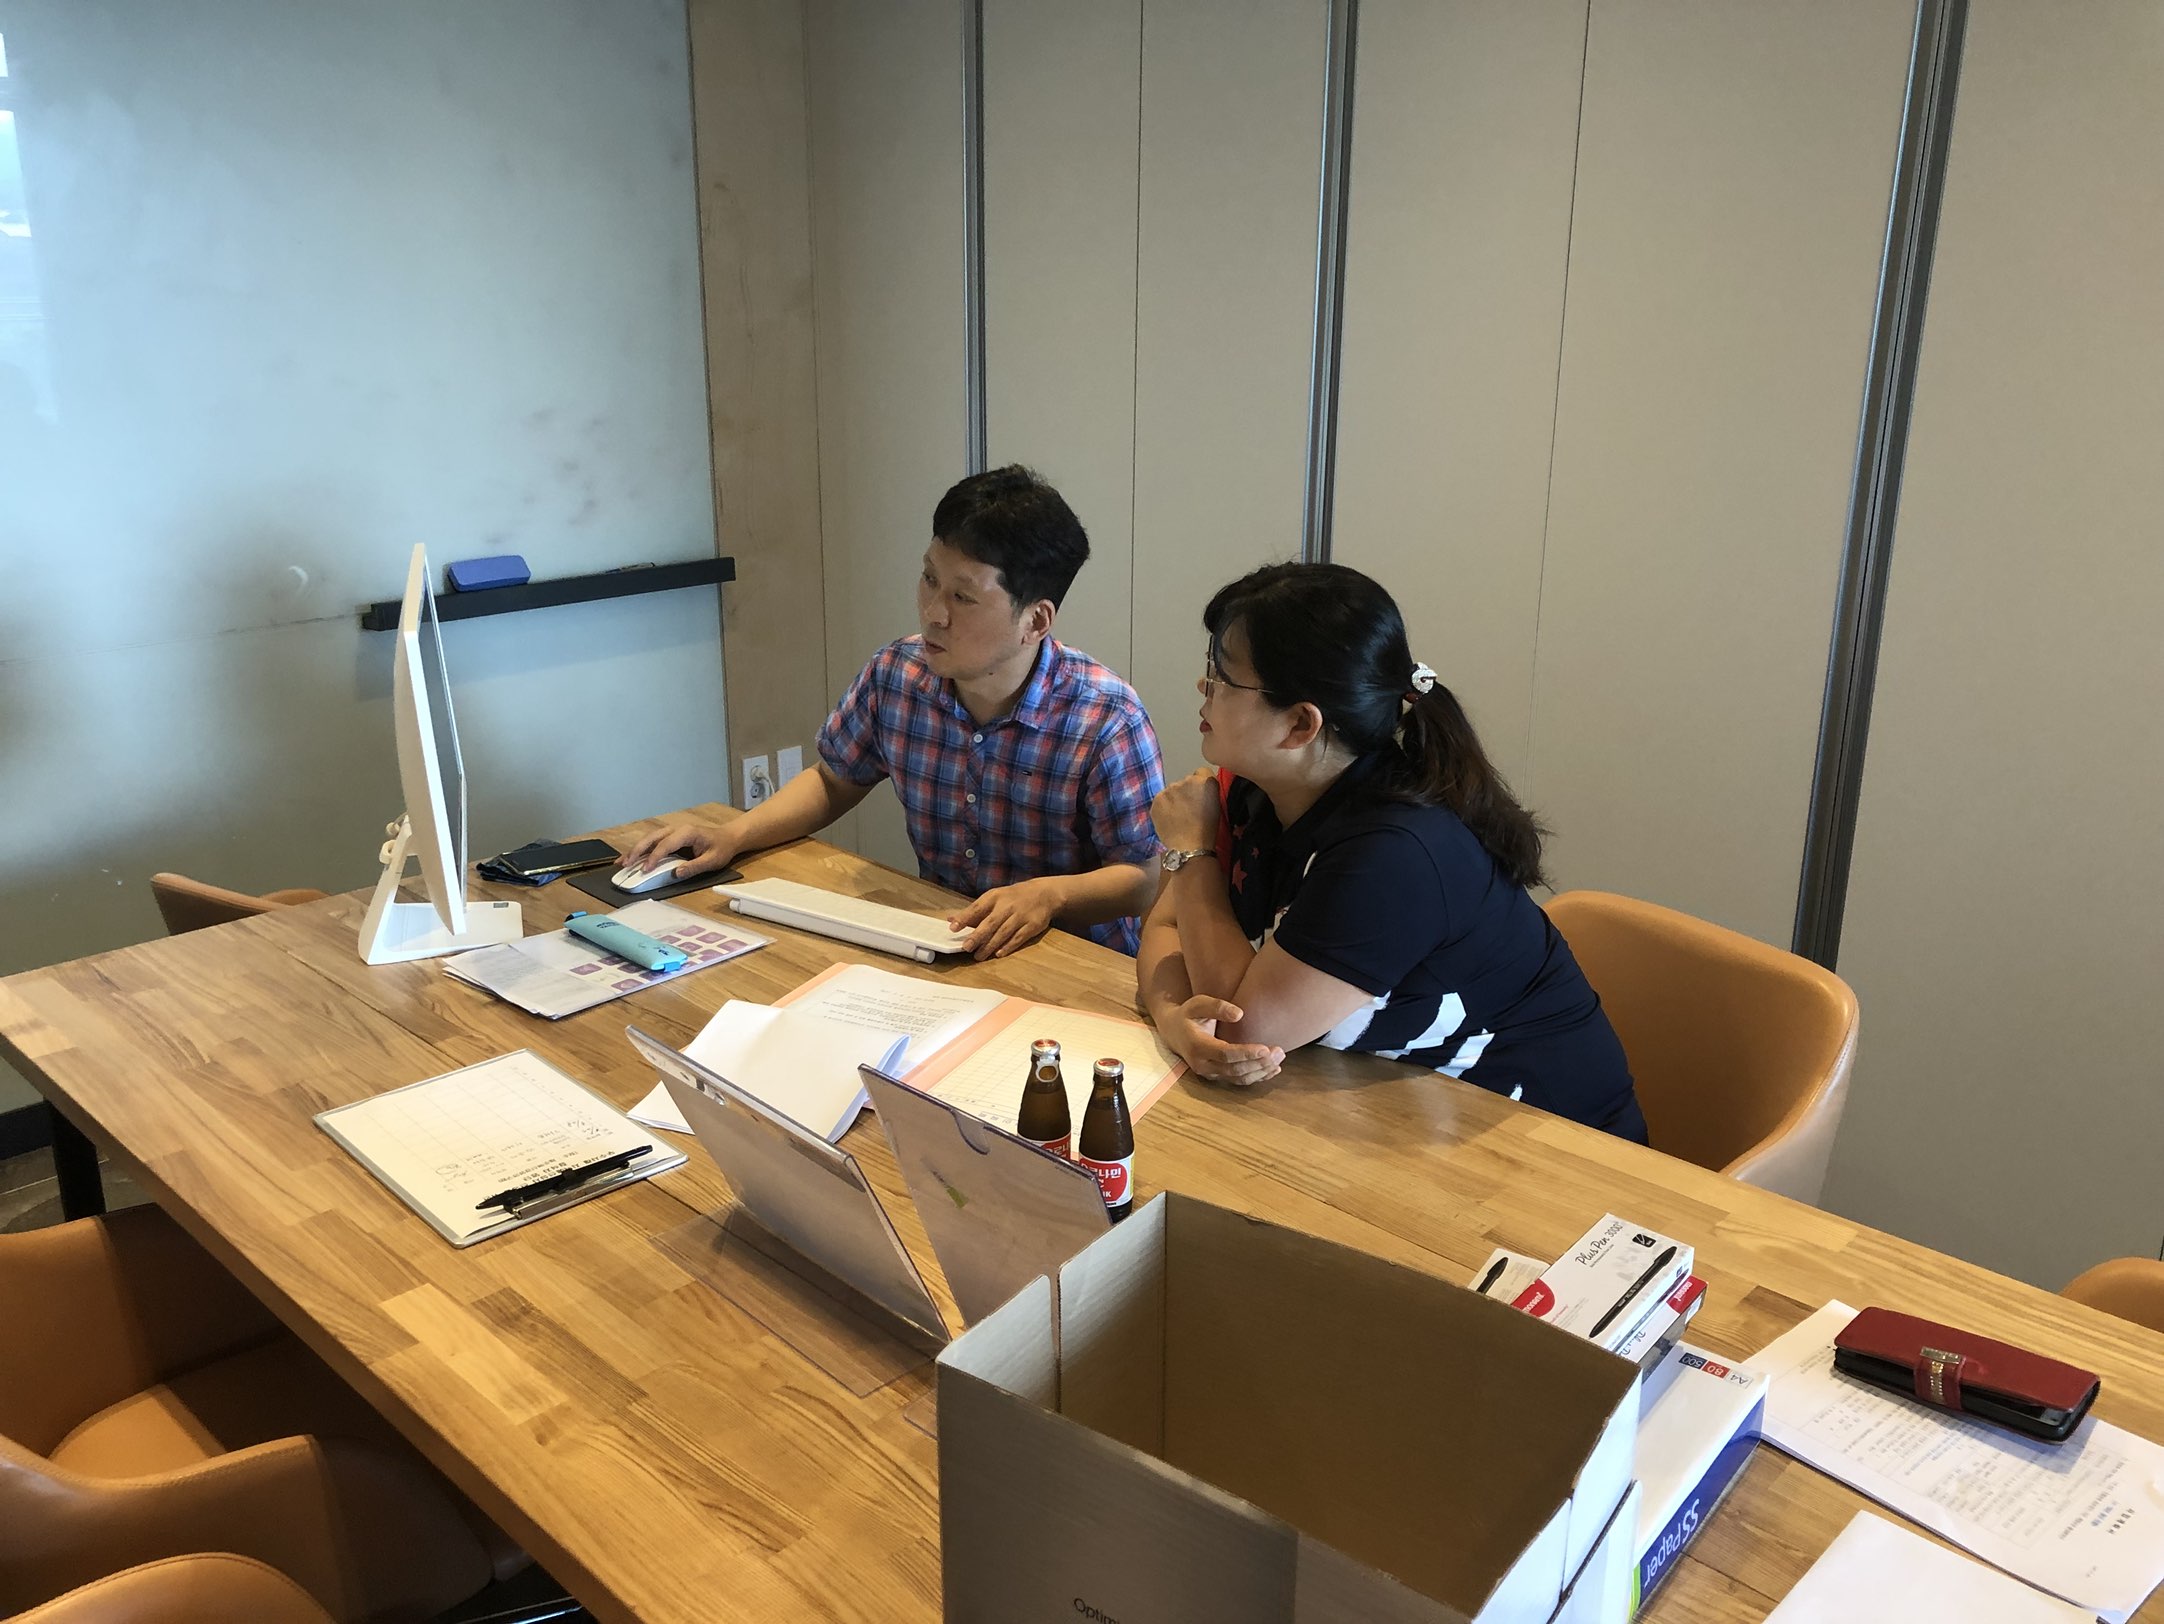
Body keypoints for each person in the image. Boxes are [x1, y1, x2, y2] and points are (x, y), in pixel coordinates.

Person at [1136, 561, 1647, 1141]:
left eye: (1224, 677)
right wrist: (1175, 1019)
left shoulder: (1395, 853)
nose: (1203, 688)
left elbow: (1242, 1027)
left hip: (1549, 1143)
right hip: (1401, 1114)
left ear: (1301, 724)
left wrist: (1192, 853)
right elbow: (1167, 928)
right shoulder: (1250, 788)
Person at [625, 466, 1165, 958]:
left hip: (1073, 962)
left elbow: (1145, 876)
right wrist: (734, 835)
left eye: (963, 597)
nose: (933, 613)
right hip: (940, 942)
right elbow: (834, 780)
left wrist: (1051, 895)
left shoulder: (1106, 717)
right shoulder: (897, 673)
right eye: (929, 579)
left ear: (1036, 621)